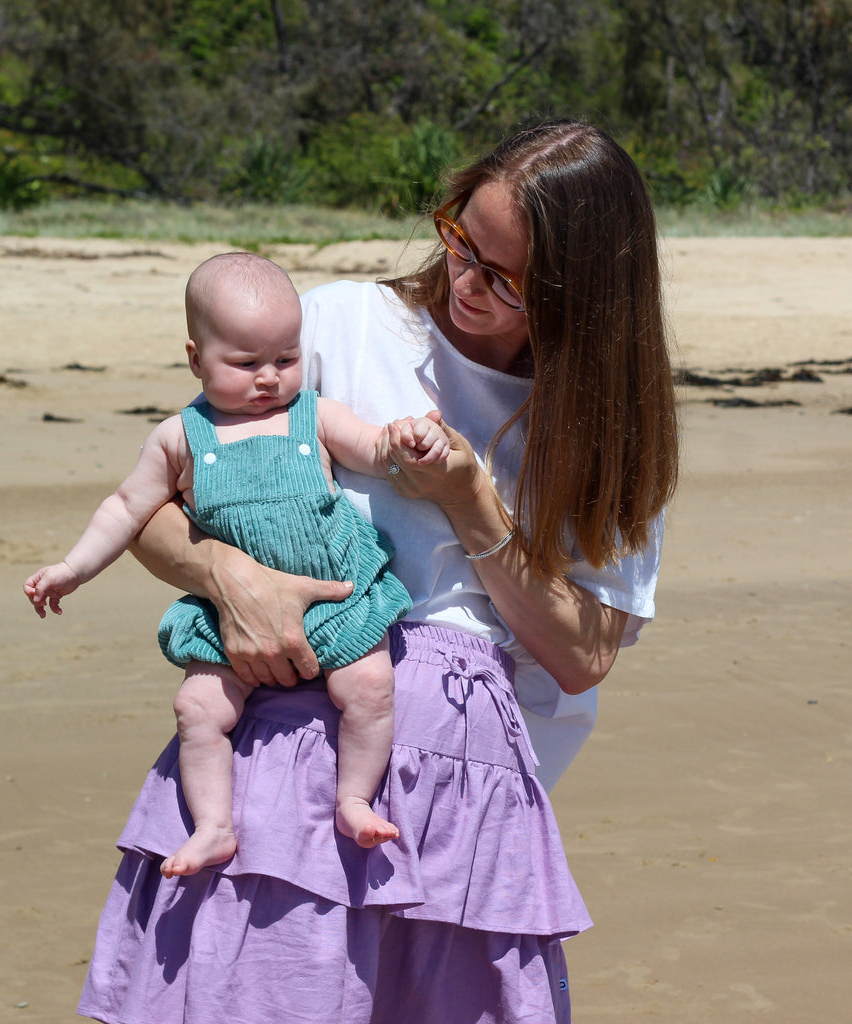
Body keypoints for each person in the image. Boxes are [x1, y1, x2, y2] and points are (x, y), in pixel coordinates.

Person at [77, 118, 678, 1024]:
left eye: (507, 278)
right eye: (461, 242)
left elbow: (583, 656)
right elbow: (157, 499)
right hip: (280, 765)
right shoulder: (335, 327)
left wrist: (472, 499)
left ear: (583, 294)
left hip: (466, 799)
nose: (468, 283)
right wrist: (227, 578)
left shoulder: (603, 422)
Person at [25, 252, 450, 876]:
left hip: (336, 592)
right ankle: (214, 827)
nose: (269, 379)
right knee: (199, 709)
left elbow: (373, 447)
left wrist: (405, 441)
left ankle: (355, 798)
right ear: (196, 358)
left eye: (285, 359)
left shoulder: (313, 415)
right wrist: (73, 567)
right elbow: (125, 509)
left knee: (370, 687)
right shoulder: (181, 437)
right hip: (230, 614)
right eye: (245, 363)